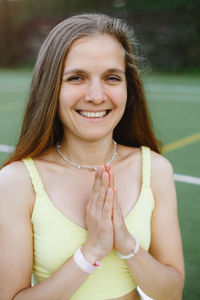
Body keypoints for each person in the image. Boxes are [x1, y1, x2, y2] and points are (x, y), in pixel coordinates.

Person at [0, 13, 184, 300]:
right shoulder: (17, 182)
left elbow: (171, 293)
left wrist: (126, 244)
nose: (96, 96)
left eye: (112, 77)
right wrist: (90, 253)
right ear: (51, 88)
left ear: (128, 87)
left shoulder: (155, 169)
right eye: (77, 78)